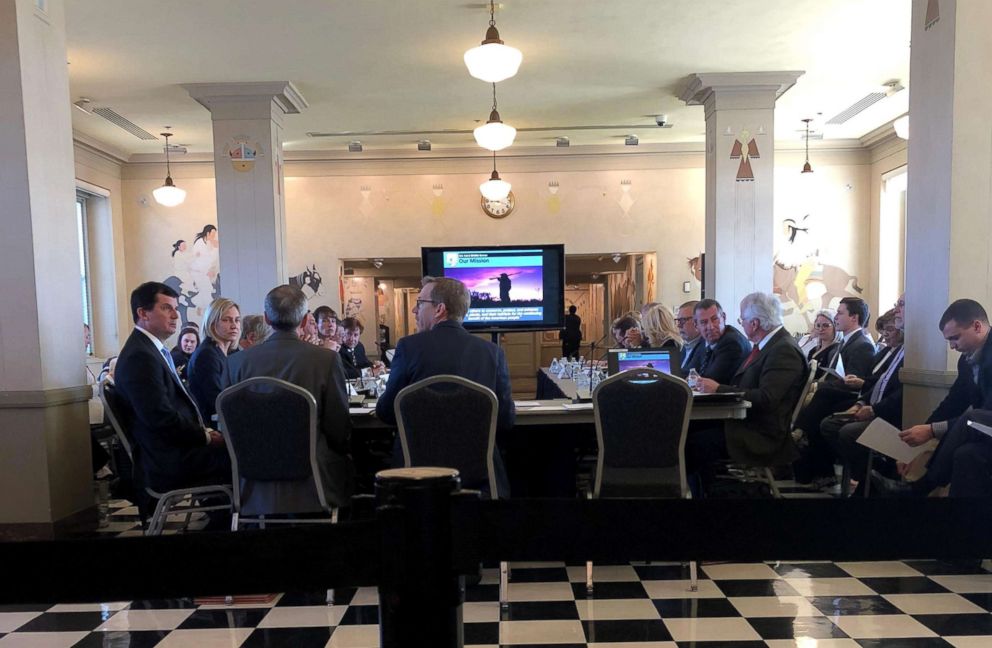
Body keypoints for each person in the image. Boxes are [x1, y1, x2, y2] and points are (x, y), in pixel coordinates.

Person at [376, 276, 514, 496]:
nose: (414, 310)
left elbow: (386, 412)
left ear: (439, 309)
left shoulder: (408, 348)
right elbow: (506, 420)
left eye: (420, 303)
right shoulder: (492, 353)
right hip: (479, 475)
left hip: (416, 475)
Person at [228, 285, 354, 508]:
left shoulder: (236, 363)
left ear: (266, 318)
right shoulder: (325, 360)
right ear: (306, 321)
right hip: (314, 476)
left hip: (252, 479)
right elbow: (338, 427)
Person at [112, 282, 229, 511]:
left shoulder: (149, 350)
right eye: (167, 308)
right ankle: (229, 524)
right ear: (143, 313)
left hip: (174, 451)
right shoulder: (140, 357)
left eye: (176, 308)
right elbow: (160, 418)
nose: (176, 315)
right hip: (167, 461)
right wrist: (205, 437)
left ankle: (224, 520)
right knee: (243, 455)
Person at [873, 299, 992, 498]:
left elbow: (986, 413)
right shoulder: (967, 360)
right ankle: (958, 522)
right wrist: (916, 447)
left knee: (973, 418)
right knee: (967, 455)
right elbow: (953, 402)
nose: (952, 347)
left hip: (984, 423)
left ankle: (919, 490)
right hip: (986, 432)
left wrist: (930, 431)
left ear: (977, 326)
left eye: (955, 338)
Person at [690, 293, 806, 488]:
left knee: (692, 444)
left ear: (754, 323)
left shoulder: (783, 350)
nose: (741, 324)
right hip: (749, 423)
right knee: (688, 430)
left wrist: (719, 389)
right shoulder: (770, 345)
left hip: (761, 434)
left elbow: (767, 398)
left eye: (742, 319)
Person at [793, 303, 904, 485]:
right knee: (824, 409)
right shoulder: (886, 351)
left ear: (854, 317)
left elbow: (878, 385)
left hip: (879, 408)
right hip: (865, 400)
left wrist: (865, 403)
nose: (885, 334)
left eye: (890, 329)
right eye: (884, 330)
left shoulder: (865, 345)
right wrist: (861, 401)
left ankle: (871, 472)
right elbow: (875, 381)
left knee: (825, 405)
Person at [187, 298, 241, 423]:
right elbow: (217, 399)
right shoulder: (207, 354)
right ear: (212, 323)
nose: (234, 326)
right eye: (226, 320)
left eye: (237, 320)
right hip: (212, 427)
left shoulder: (231, 353)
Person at [691, 298, 751, 385]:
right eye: (704, 322)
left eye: (715, 319)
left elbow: (710, 381)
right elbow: (689, 370)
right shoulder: (704, 340)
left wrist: (691, 380)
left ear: (724, 317)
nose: (710, 327)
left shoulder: (732, 343)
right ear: (696, 325)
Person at [826, 297, 876, 381]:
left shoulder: (863, 346)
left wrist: (818, 386)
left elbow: (851, 383)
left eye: (840, 313)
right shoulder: (843, 342)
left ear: (854, 318)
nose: (835, 317)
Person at [807, 308, 840, 373]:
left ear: (835, 326)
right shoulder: (813, 350)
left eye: (825, 325)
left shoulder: (837, 351)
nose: (820, 329)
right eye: (818, 325)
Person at [676, 300, 703, 371]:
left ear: (697, 321)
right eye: (678, 321)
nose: (679, 325)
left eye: (683, 320)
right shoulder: (685, 347)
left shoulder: (705, 348)